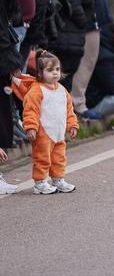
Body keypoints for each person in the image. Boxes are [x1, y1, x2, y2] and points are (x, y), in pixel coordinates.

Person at [15, 50, 78, 194]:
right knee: (42, 157)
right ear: (40, 73)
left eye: (57, 69)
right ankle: (40, 182)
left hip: (58, 132)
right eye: (50, 70)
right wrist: (31, 127)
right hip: (43, 132)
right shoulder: (36, 90)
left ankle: (58, 179)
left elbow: (69, 109)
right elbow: (30, 110)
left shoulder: (62, 90)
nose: (55, 73)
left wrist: (72, 124)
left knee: (59, 157)